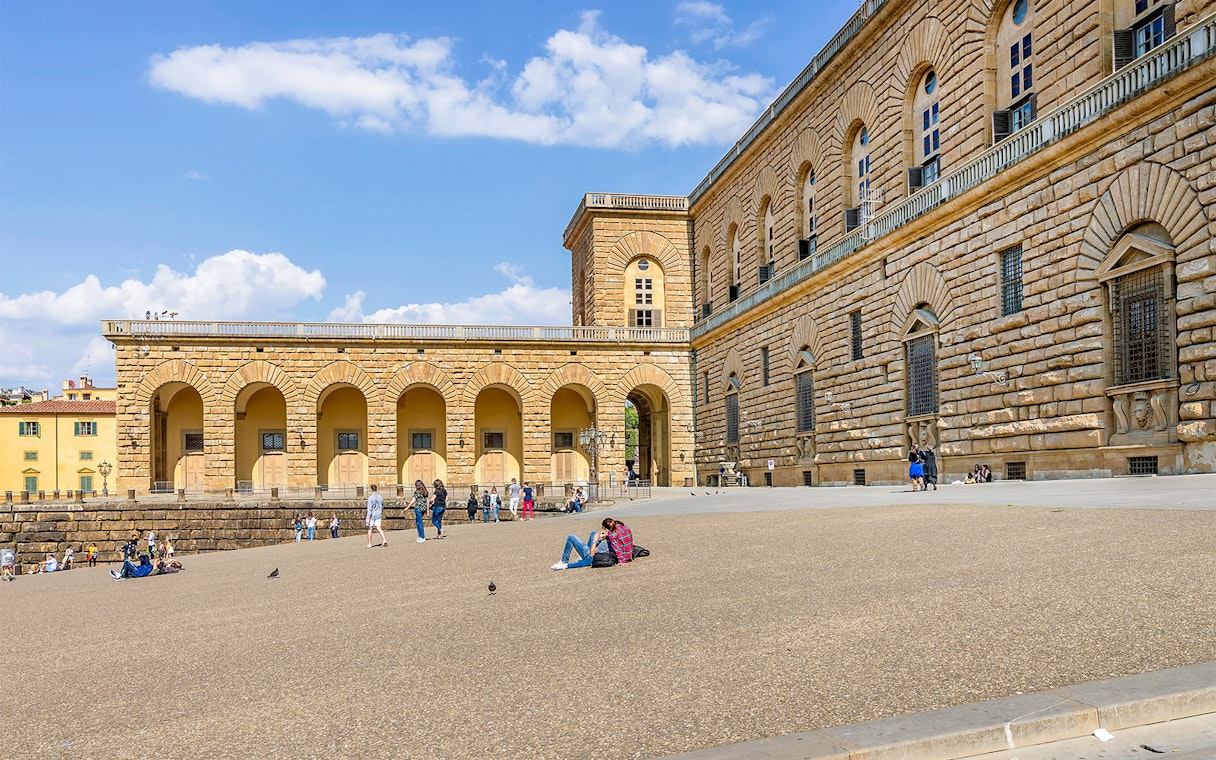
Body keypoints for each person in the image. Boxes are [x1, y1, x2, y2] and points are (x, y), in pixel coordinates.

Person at [551, 518, 634, 570]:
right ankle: (580, 556)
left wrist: (595, 540)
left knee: (571, 537)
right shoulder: (625, 529)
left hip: (591, 554)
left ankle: (564, 561)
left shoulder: (611, 538)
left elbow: (591, 556)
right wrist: (605, 536)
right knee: (593, 533)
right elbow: (619, 542)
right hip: (612, 550)